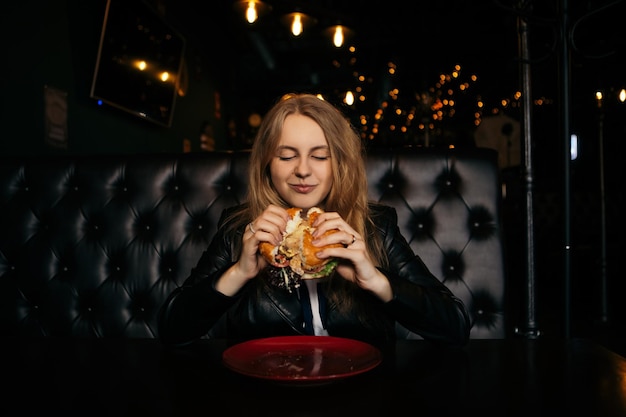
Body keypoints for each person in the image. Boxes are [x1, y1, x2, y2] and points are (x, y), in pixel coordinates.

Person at [158, 93, 470, 348]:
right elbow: (171, 329)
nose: (303, 170)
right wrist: (239, 272)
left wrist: (375, 279)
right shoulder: (239, 228)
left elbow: (455, 325)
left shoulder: (376, 225)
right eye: (286, 155)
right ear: (267, 164)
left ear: (339, 164)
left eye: (320, 156)